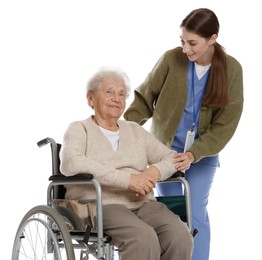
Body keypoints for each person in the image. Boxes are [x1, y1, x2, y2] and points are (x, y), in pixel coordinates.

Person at [124, 8, 243, 260]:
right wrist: (125, 131)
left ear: (212, 38)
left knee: (195, 211)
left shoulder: (232, 69)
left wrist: (193, 154)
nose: (185, 49)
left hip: (202, 155)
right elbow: (145, 98)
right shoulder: (171, 60)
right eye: (182, 41)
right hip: (165, 154)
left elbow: (226, 124)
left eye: (192, 43)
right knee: (172, 215)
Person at [59, 68, 193, 260]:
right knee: (142, 238)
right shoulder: (79, 129)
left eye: (121, 94)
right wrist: (128, 180)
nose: (117, 98)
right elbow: (71, 162)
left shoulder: (135, 131)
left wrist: (154, 172)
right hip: (101, 203)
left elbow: (173, 158)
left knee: (180, 236)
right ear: (90, 99)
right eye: (109, 92)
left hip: (142, 203)